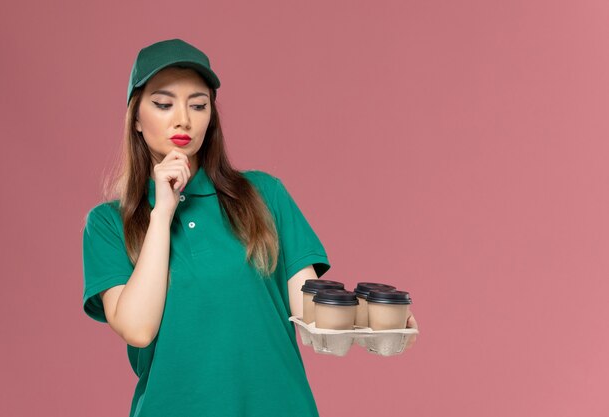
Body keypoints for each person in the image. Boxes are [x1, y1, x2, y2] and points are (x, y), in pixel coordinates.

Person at [81, 38, 418, 417]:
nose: (184, 119)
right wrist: (161, 215)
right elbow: (138, 329)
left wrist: (377, 320)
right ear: (136, 119)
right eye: (163, 104)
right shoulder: (109, 223)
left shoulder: (264, 195)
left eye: (198, 104)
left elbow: (309, 310)